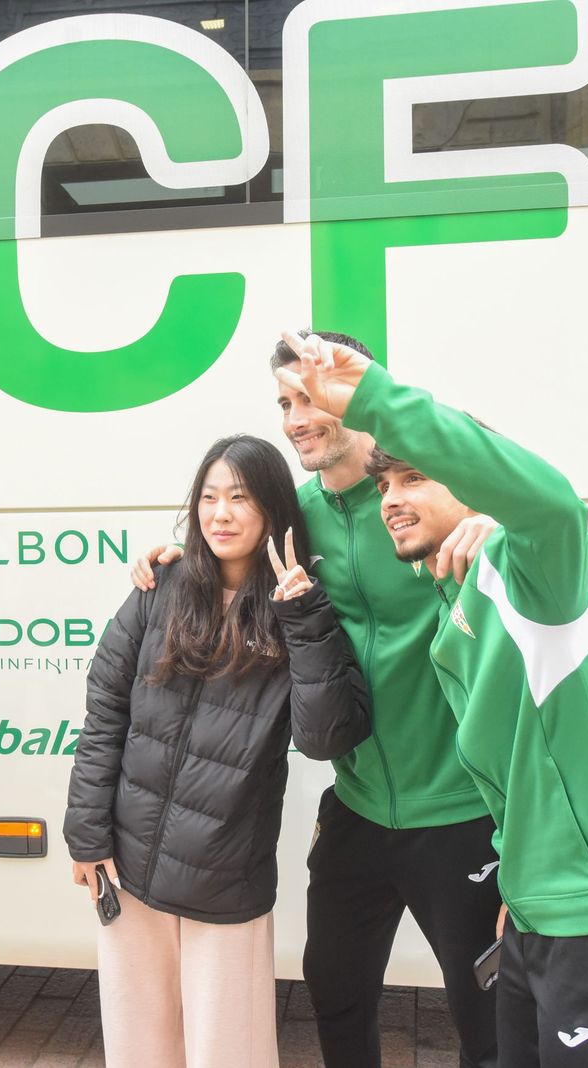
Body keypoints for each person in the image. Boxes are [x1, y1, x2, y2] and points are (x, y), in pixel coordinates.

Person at [277, 332, 588, 1068]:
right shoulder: (454, 607)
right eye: (386, 486)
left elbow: (561, 519)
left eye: (416, 480)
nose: (392, 501)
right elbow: (518, 775)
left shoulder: (527, 580)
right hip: (536, 908)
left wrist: (502, 521)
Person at [135, 331, 505, 1068]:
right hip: (359, 809)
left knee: (488, 1022)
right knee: (333, 994)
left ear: (357, 394)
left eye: (311, 397)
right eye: (284, 402)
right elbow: (225, 559)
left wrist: (499, 530)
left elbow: (571, 550)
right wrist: (171, 561)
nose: (297, 417)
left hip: (462, 816)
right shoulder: (293, 521)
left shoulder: (429, 497)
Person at [65, 434, 371, 1068]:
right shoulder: (160, 586)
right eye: (208, 497)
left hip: (225, 874)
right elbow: (104, 714)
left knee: (229, 1051)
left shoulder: (298, 606)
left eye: (239, 498)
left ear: (272, 511)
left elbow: (322, 739)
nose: (220, 514)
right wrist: (87, 835)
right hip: (128, 866)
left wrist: (305, 616)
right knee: (138, 1047)